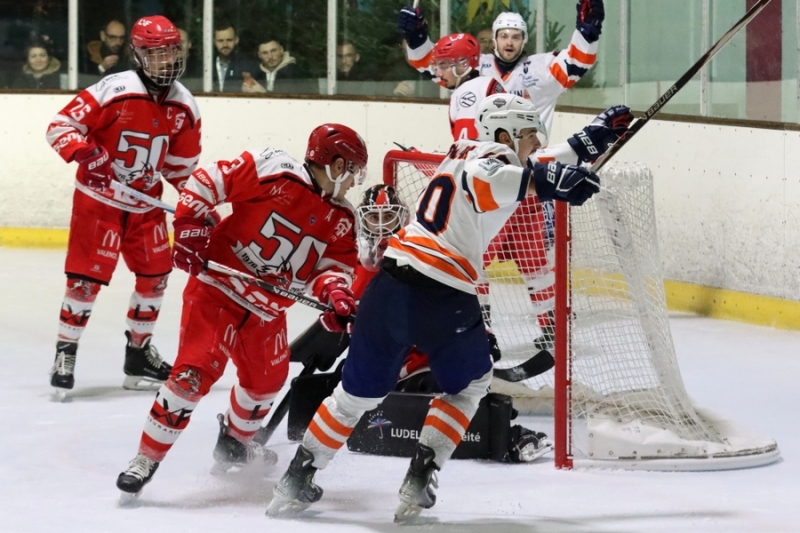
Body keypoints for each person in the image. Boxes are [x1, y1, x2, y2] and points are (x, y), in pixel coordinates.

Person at [266, 94, 601, 521]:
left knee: (352, 397)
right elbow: (500, 178)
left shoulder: (464, 150)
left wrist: (587, 142)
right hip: (443, 296)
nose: (536, 144)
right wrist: (551, 182)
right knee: (471, 386)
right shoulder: (493, 160)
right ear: (504, 135)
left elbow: (530, 165)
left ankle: (296, 479)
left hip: (388, 288)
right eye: (530, 136)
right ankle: (419, 477)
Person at [115, 123, 367, 500]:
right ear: (336, 165)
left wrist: (335, 293)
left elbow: (332, 268)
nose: (352, 182)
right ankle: (145, 459)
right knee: (191, 376)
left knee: (266, 382)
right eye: (351, 171)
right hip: (218, 292)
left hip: (267, 312)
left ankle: (234, 442)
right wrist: (189, 226)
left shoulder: (343, 218)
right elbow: (206, 182)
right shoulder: (275, 169)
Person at [399, 1, 606, 350]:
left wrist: (588, 30)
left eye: (516, 36)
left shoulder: (538, 68)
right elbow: (434, 65)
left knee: (522, 259)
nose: (509, 42)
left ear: (524, 40)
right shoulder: (475, 69)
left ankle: (533, 329)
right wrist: (417, 38)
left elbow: (577, 61)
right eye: (504, 35)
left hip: (517, 179)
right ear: (493, 39)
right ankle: (490, 328)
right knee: (493, 258)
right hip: (503, 178)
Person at [45, 15, 201, 396]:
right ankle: (65, 352)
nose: (166, 60)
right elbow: (59, 127)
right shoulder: (114, 89)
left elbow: (180, 169)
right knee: (85, 282)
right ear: (139, 55)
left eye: (171, 51)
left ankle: (138, 355)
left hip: (146, 206)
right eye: (156, 53)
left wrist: (198, 204)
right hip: (99, 202)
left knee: (156, 277)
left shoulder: (185, 106)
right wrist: (86, 154)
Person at [242, 38, 312, 94]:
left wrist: (263, 94)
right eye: (265, 53)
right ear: (259, 55)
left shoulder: (297, 72)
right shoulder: (255, 74)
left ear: (281, 50)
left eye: (273, 51)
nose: (270, 56)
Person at [212, 22, 258, 92]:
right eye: (220, 41)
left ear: (236, 40)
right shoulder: (205, 67)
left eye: (229, 40)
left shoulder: (249, 66)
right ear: (214, 41)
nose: (225, 45)